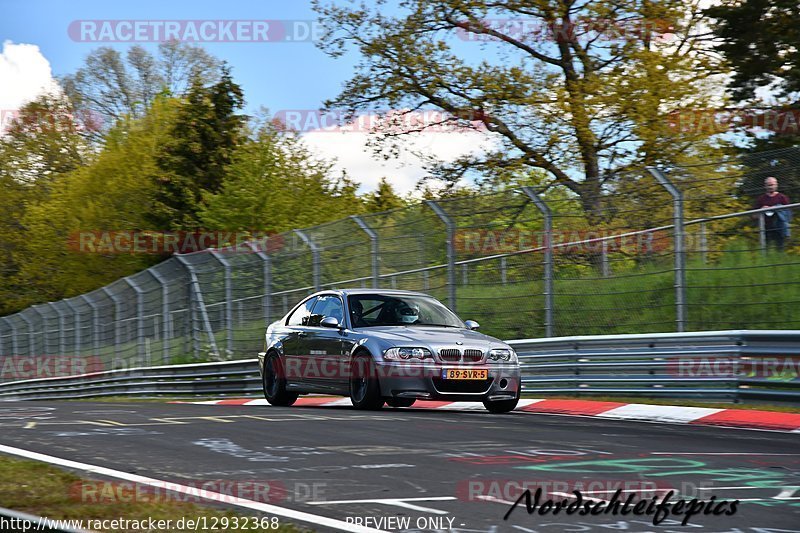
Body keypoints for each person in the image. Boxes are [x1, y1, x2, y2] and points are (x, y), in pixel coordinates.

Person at [755, 176, 791, 250]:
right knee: (766, 249)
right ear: (765, 186)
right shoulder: (761, 199)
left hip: (779, 226)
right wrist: (762, 210)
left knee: (780, 249)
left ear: (776, 185)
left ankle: (786, 233)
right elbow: (753, 215)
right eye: (769, 185)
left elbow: (788, 214)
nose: (771, 187)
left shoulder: (782, 197)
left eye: (772, 185)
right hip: (766, 227)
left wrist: (776, 209)